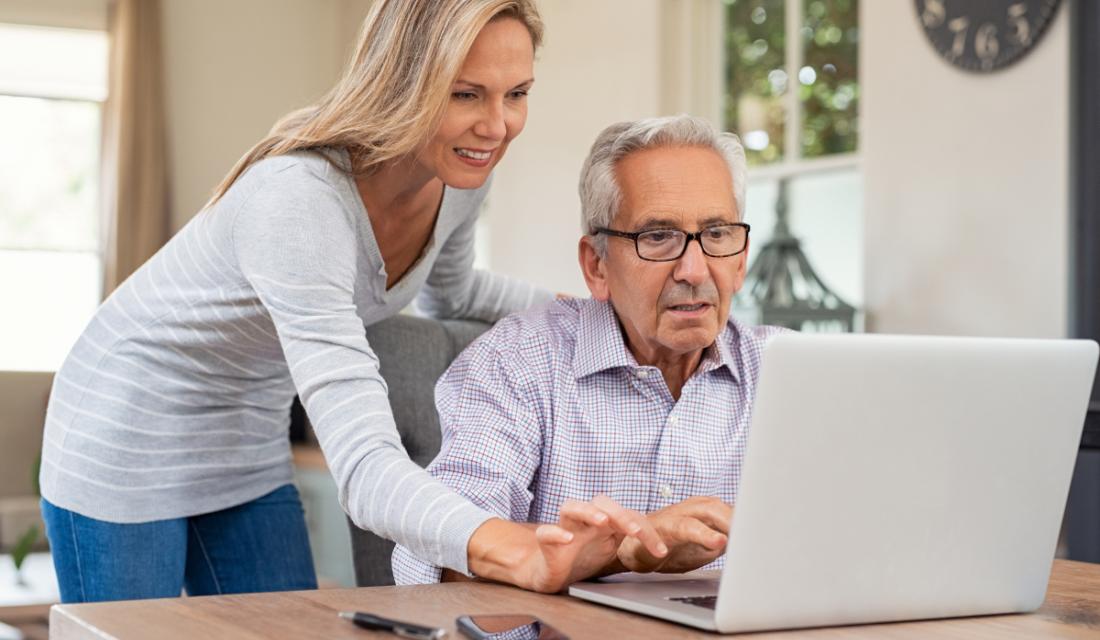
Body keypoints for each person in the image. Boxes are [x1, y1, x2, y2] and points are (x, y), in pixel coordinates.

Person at [38, 0, 664, 603]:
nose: (497, 126)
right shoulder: (299, 203)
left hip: (246, 436)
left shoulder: (460, 174)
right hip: (125, 426)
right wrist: (512, 549)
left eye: (517, 94)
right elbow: (365, 468)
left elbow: (456, 291)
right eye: (465, 93)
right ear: (403, 83)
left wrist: (597, 312)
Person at [393, 115, 789, 584]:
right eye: (658, 236)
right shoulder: (515, 362)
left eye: (718, 234)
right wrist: (617, 553)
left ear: (741, 261)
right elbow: (441, 559)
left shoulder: (791, 373)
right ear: (596, 265)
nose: (695, 270)